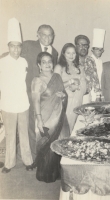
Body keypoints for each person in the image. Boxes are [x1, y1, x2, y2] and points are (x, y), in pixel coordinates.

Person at [0, 18, 33, 173]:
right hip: (7, 104)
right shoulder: (2, 62)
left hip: (23, 103)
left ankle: (28, 160)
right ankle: (9, 163)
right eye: (13, 46)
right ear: (8, 46)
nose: (16, 50)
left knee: (24, 133)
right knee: (10, 135)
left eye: (18, 46)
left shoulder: (24, 62)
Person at [21, 24, 58, 160]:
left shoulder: (54, 52)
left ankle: (44, 155)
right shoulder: (28, 46)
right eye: (44, 34)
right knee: (32, 124)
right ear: (38, 34)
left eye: (50, 35)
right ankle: (33, 156)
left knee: (45, 125)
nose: (47, 38)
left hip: (46, 94)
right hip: (30, 91)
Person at [32, 52, 69, 182]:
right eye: (44, 62)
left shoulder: (57, 77)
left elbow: (63, 93)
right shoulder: (37, 80)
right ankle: (46, 174)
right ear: (39, 65)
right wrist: (39, 120)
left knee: (60, 142)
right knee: (47, 145)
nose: (47, 64)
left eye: (49, 61)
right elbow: (36, 101)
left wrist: (63, 96)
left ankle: (56, 172)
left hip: (59, 115)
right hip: (45, 116)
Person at [54, 43, 87, 133]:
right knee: (65, 129)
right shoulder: (59, 67)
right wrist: (70, 83)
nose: (71, 56)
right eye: (68, 53)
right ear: (63, 53)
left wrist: (78, 86)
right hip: (65, 102)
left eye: (73, 53)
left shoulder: (80, 67)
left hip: (78, 101)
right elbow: (55, 86)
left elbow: (84, 86)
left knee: (77, 128)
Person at [74, 35, 100, 103]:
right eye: (80, 45)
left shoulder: (90, 60)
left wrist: (98, 96)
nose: (83, 48)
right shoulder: (71, 60)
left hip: (87, 97)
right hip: (74, 96)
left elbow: (95, 78)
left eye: (86, 45)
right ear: (75, 46)